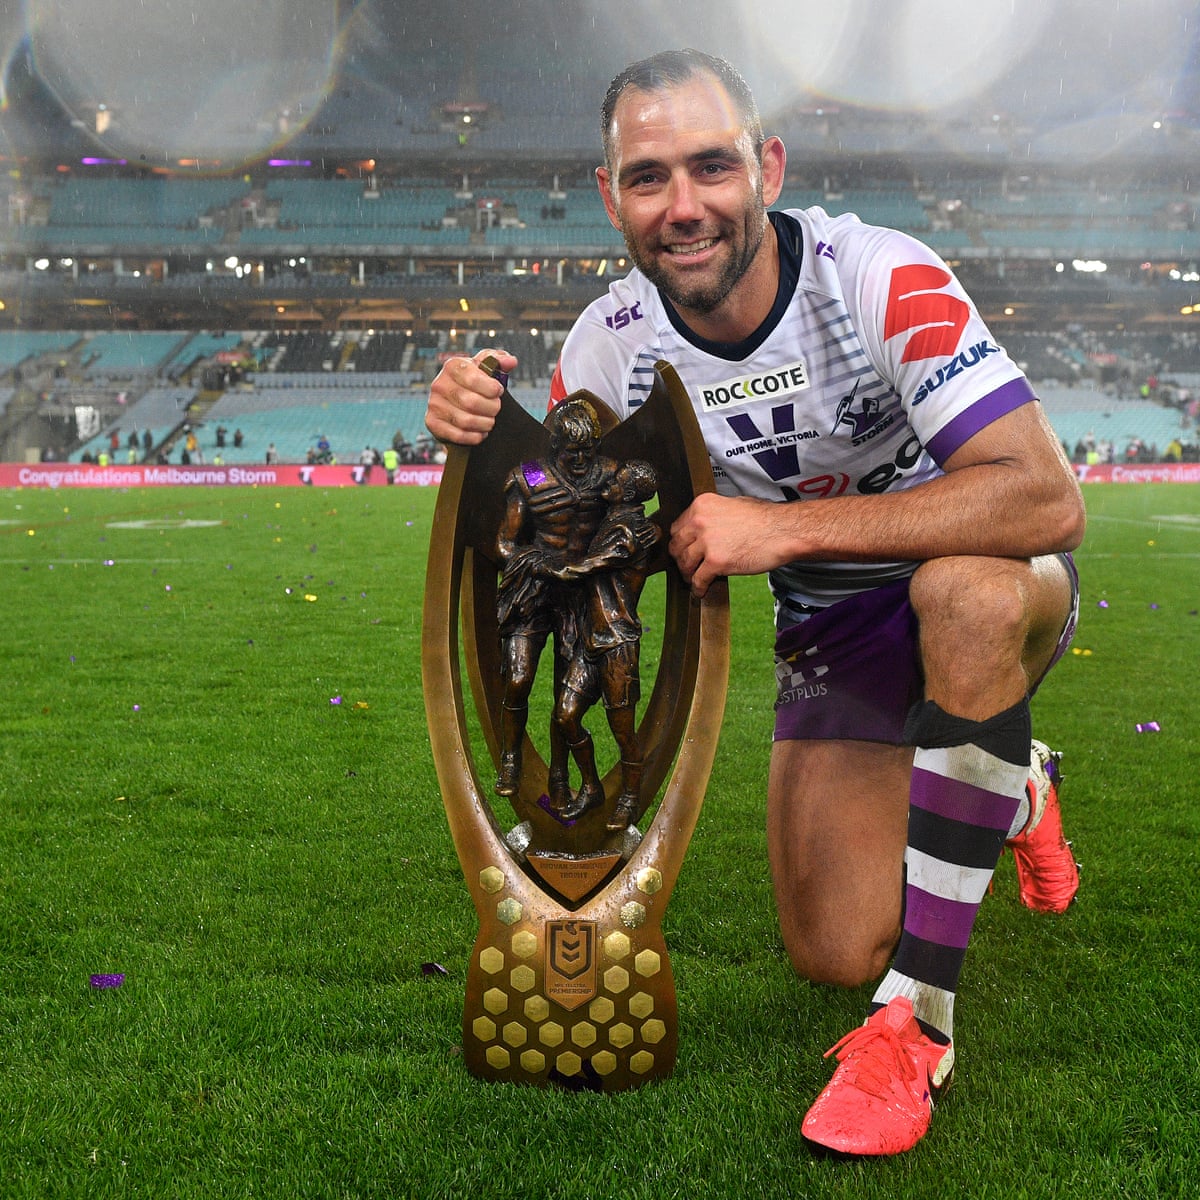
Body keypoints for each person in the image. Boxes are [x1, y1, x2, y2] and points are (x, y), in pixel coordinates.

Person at [424, 49, 1086, 1157]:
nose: (684, 207)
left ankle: (919, 1026)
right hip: (833, 623)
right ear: (609, 197)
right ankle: (1013, 782)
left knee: (959, 597)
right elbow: (582, 551)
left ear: (768, 166)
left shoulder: (878, 275)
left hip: (991, 573)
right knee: (831, 946)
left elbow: (1044, 498)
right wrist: (484, 439)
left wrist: (780, 530)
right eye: (647, 179)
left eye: (712, 166)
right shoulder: (609, 347)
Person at [493, 398, 619, 814]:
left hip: (581, 597)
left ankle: (559, 776)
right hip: (534, 591)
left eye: (588, 451)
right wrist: (544, 565)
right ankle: (510, 758)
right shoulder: (528, 477)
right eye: (571, 451)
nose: (581, 460)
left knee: (565, 694)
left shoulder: (609, 475)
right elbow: (505, 543)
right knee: (518, 677)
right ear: (555, 448)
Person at [553, 458, 663, 830]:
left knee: (623, 731)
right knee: (566, 716)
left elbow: (592, 564)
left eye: (615, 482)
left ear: (629, 492)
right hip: (590, 640)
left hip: (618, 644)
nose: (608, 485)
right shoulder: (614, 520)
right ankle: (591, 787)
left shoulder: (631, 532)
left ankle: (630, 798)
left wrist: (555, 568)